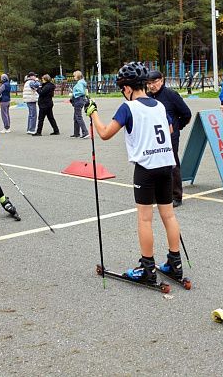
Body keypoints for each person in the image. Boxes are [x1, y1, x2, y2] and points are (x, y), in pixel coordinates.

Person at [84, 61, 185, 285]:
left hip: (146, 168)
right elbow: (170, 129)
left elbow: (105, 133)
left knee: (145, 218)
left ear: (128, 88)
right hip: (166, 165)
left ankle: (147, 268)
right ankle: (175, 263)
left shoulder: (128, 107)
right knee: (169, 215)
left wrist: (93, 113)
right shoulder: (159, 105)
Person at [146, 70, 192, 208]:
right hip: (154, 137)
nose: (152, 86)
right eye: (149, 83)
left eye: (154, 82)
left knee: (172, 165)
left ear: (161, 80)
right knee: (156, 165)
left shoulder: (171, 95)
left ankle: (176, 195)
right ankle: (159, 194)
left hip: (170, 136)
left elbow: (186, 114)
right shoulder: (147, 97)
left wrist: (177, 127)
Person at [70, 70, 89, 138]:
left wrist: (73, 94)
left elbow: (81, 92)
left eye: (74, 76)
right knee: (76, 117)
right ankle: (76, 133)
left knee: (78, 117)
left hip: (78, 100)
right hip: (80, 100)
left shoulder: (80, 83)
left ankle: (85, 132)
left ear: (78, 76)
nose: (74, 77)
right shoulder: (82, 82)